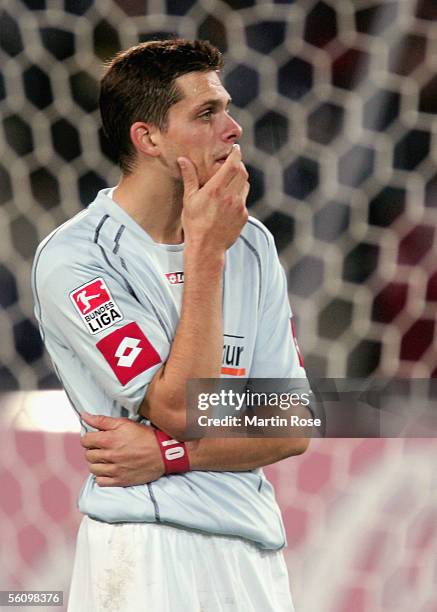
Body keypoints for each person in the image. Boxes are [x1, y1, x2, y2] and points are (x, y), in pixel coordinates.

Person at [32, 39, 312, 611]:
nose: (233, 128)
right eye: (206, 113)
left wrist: (172, 454)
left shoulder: (252, 245)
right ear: (148, 137)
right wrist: (206, 253)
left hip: (252, 547)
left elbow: (293, 424)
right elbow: (182, 408)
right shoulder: (79, 260)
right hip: (143, 548)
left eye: (226, 109)